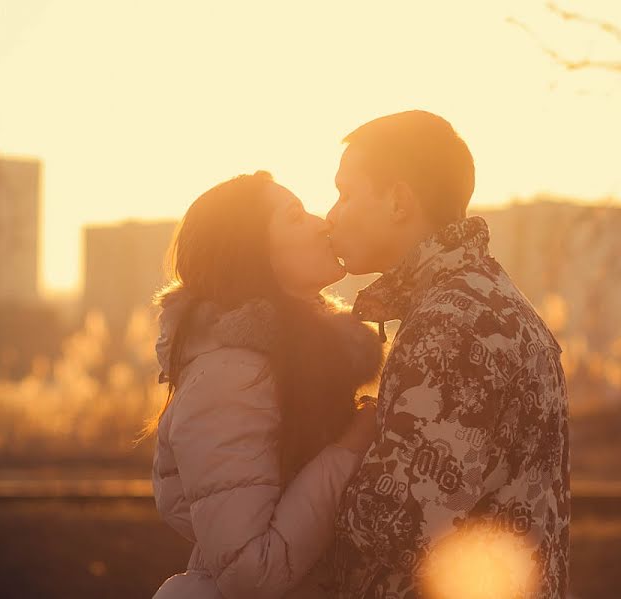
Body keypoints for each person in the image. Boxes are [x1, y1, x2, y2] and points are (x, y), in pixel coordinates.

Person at [327, 110, 570, 598]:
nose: (332, 214)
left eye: (346, 193)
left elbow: (397, 523)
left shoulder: (452, 323)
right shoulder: (484, 300)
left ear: (399, 201)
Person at [147, 171, 383, 598]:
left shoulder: (297, 362)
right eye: (295, 217)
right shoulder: (230, 376)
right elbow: (251, 573)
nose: (322, 222)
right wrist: (349, 449)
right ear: (254, 255)